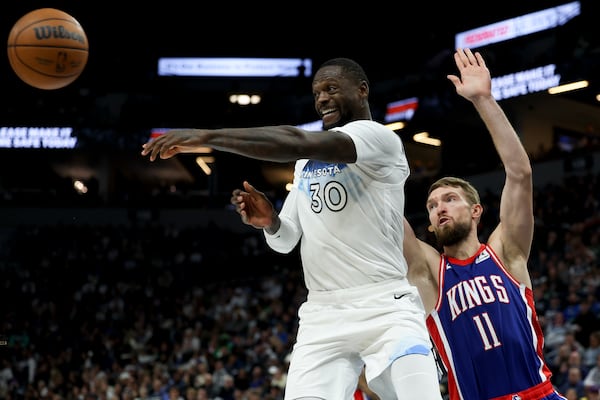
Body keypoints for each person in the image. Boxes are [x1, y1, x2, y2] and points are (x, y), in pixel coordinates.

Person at [141, 57, 442, 399]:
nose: (322, 99)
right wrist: (270, 223)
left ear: (362, 91)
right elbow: (287, 241)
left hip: (385, 305)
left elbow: (297, 140)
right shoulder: (305, 165)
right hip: (323, 314)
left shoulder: (377, 138)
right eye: (316, 93)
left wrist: (206, 136)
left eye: (331, 89)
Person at [403, 48, 567, 399]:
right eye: (432, 206)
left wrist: (484, 99)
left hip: (539, 393)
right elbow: (384, 219)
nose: (439, 208)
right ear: (429, 224)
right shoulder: (430, 272)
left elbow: (520, 174)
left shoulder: (506, 252)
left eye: (449, 199)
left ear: (476, 211)